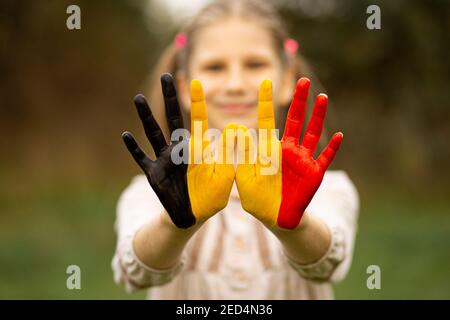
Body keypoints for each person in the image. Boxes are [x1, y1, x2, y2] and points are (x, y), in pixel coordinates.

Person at [112, 0, 359, 299]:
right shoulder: (150, 192)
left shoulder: (329, 189)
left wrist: (292, 223)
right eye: (215, 67)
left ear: (286, 79)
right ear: (184, 87)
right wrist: (175, 220)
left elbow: (326, 266)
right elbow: (137, 273)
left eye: (255, 64)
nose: (235, 84)